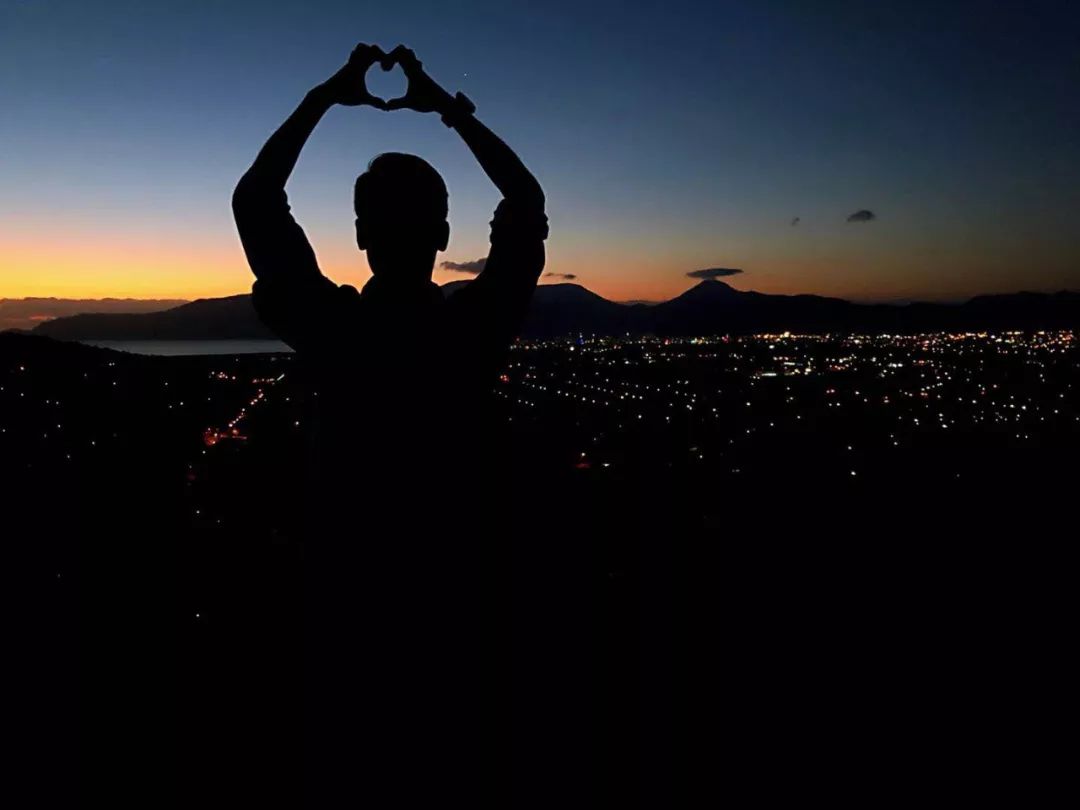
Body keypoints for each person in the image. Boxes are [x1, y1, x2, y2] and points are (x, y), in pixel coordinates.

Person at [232, 43, 547, 804]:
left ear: (360, 236)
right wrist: (445, 106)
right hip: (461, 616)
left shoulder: (334, 330)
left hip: (345, 620)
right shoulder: (473, 330)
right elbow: (526, 202)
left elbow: (256, 201)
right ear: (444, 239)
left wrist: (323, 98)